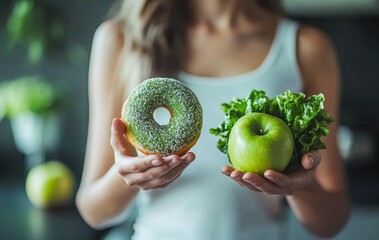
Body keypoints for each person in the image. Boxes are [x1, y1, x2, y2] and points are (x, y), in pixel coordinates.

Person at [76, 0, 350, 239]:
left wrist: (300, 187)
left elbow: (332, 221)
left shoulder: (304, 47)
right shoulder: (120, 38)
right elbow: (93, 211)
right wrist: (127, 177)